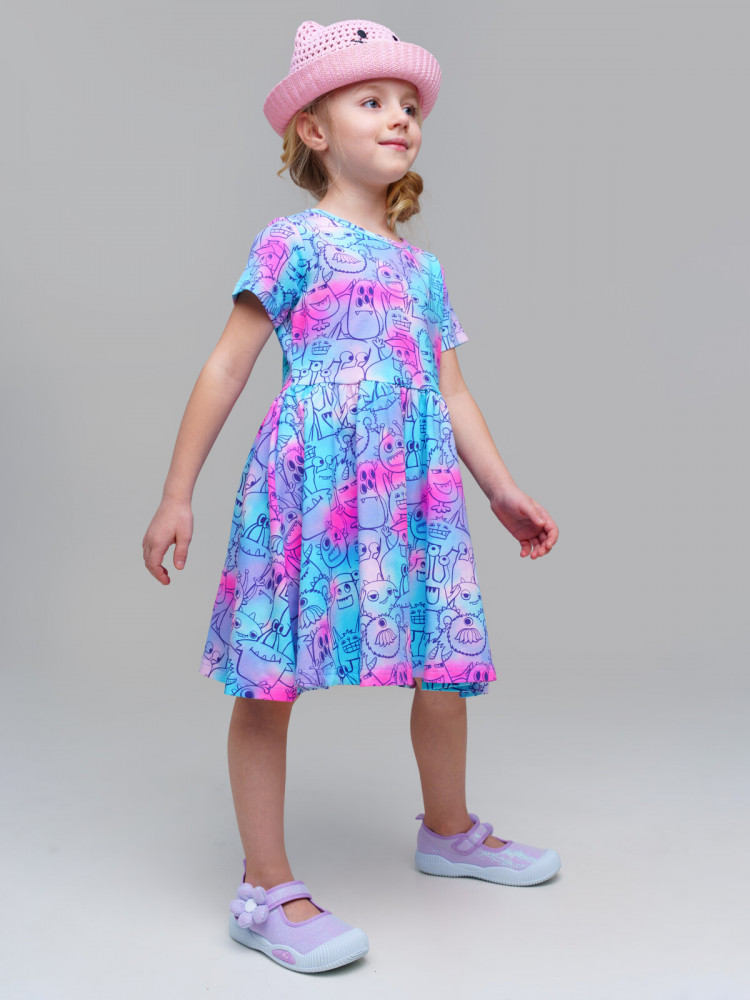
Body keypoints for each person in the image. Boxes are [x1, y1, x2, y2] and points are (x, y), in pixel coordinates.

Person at [142, 18, 561, 975]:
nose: (401, 117)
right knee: (268, 679)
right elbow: (226, 367)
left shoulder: (422, 268)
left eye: (409, 105)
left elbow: (452, 392)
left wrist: (501, 489)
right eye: (373, 101)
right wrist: (176, 494)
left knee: (444, 662)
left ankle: (448, 830)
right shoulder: (291, 242)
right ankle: (266, 887)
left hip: (414, 492)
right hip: (310, 487)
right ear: (316, 131)